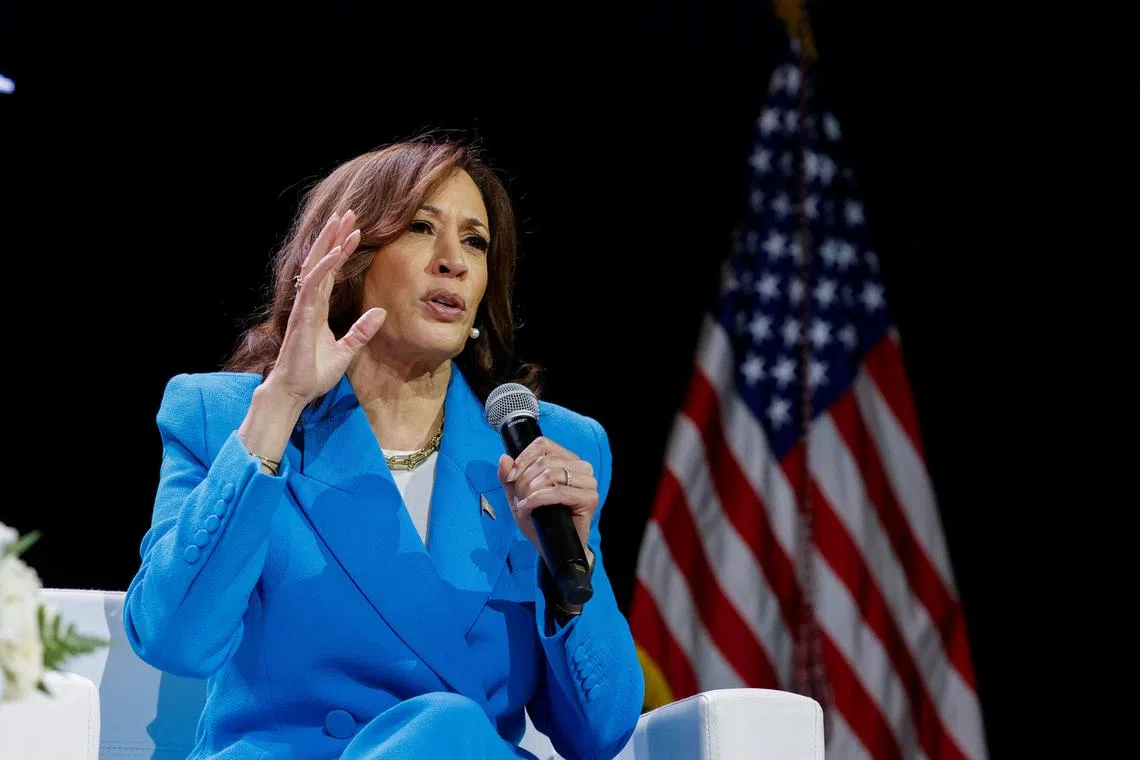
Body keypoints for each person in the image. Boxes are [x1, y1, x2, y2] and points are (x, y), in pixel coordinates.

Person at [123, 138, 645, 760]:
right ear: (349, 260)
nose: (453, 260)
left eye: (475, 242)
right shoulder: (225, 419)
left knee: (448, 731)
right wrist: (280, 405)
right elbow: (174, 639)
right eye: (422, 228)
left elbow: (602, 733)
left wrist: (569, 565)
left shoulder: (546, 448)